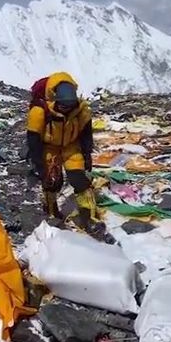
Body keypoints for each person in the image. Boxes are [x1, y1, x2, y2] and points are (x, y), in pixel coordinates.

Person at [25, 72, 107, 239]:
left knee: (79, 180)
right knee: (52, 181)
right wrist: (39, 165)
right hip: (49, 147)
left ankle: (90, 218)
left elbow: (85, 134)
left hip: (71, 146)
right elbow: (33, 140)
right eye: (63, 106)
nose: (66, 109)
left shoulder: (81, 110)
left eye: (69, 106)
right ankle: (51, 210)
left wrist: (87, 154)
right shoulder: (39, 111)